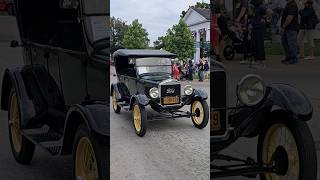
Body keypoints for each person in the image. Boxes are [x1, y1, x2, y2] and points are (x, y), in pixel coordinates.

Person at [250, 0, 272, 67]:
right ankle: (257, 60)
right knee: (255, 44)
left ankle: (262, 61)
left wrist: (266, 19)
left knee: (259, 44)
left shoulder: (261, 7)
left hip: (259, 28)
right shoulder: (255, 8)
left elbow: (270, 12)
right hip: (255, 28)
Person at [281, 0, 300, 64]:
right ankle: (288, 57)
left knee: (291, 44)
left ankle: (294, 58)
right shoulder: (288, 4)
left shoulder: (292, 5)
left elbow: (290, 17)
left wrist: (284, 26)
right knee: (285, 42)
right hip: (287, 28)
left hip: (291, 28)